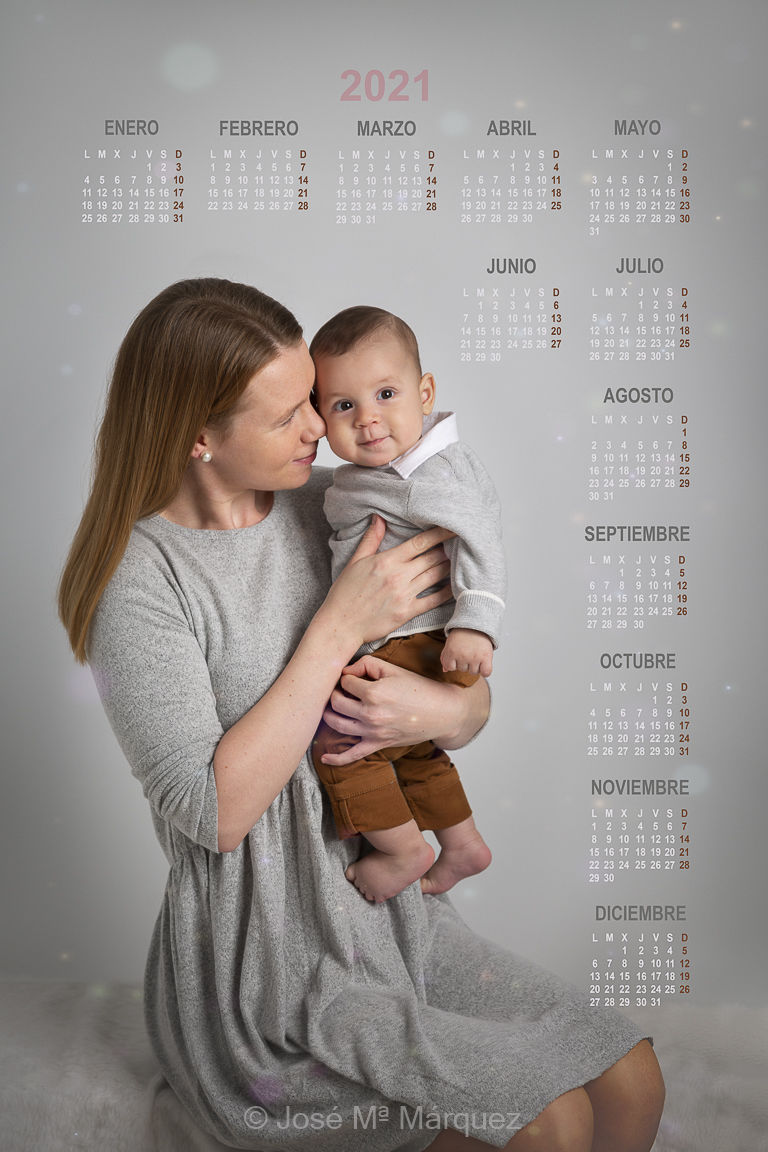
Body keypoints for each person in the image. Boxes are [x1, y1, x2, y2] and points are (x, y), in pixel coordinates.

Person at [58, 278, 664, 1152]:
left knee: (633, 1075)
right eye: (286, 416)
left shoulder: (343, 501)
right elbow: (216, 815)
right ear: (198, 436)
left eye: (313, 399)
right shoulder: (143, 585)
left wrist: (438, 710)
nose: (320, 427)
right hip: (271, 962)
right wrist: (338, 625)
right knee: (547, 1124)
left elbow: (463, 692)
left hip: (395, 911)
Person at [310, 306, 503, 905]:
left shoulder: (424, 473)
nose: (367, 420)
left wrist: (476, 625)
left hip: (411, 639)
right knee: (412, 752)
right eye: (343, 406)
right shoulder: (385, 471)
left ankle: (400, 850)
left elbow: (481, 539)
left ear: (425, 393)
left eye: (385, 394)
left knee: (340, 742)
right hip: (399, 640)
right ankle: (462, 843)